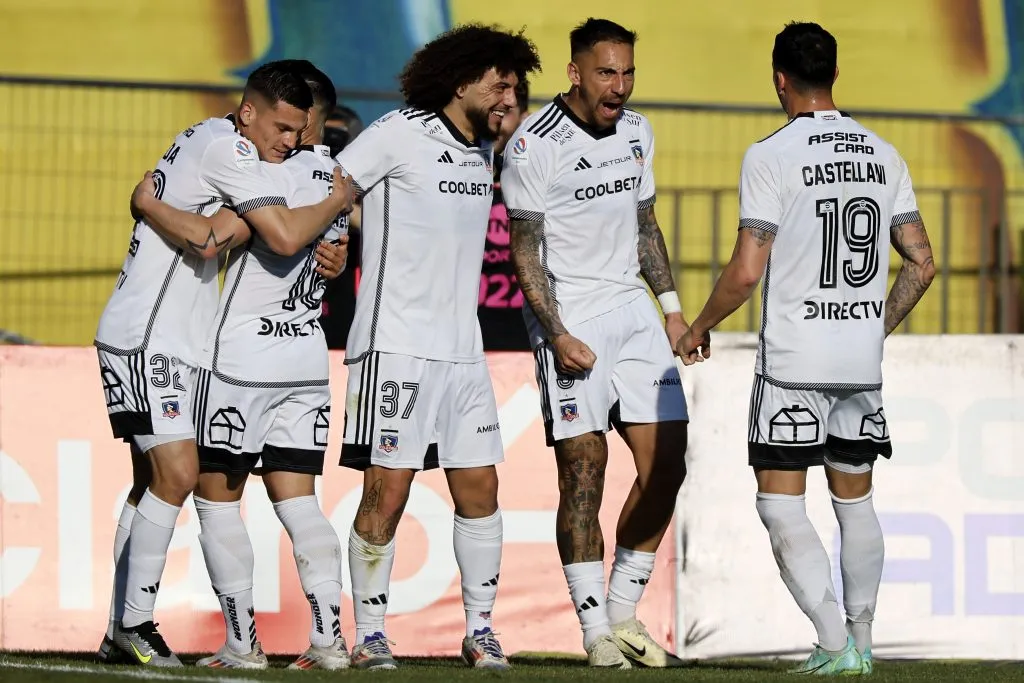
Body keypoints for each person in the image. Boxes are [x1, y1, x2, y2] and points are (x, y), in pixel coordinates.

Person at [676, 22, 935, 676]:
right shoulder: (883, 152)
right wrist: (871, 327)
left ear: (779, 78)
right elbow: (922, 262)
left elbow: (745, 270)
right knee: (856, 501)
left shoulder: (771, 155)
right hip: (858, 362)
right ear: (835, 76)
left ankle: (830, 642)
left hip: (795, 362)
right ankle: (863, 641)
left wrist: (698, 324)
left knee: (779, 501)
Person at [94, 60, 352, 667]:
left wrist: (148, 202)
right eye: (282, 128)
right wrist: (152, 207)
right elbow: (228, 240)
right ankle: (135, 624)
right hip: (148, 335)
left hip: (189, 341)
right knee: (182, 476)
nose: (288, 141)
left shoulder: (235, 150)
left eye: (298, 129)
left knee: (154, 484)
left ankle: (119, 627)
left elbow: (241, 235)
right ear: (250, 113)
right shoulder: (230, 150)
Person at [335, 24, 540, 670]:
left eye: (514, 83)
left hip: (462, 352)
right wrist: (331, 237)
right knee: (387, 493)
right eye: (499, 82)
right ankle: (369, 633)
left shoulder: (482, 152)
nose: (510, 94)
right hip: (395, 346)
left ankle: (480, 630)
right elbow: (335, 186)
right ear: (461, 83)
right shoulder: (399, 131)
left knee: (479, 487)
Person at [503, 18, 689, 669]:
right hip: (570, 313)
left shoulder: (637, 132)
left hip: (631, 310)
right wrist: (554, 332)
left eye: (628, 72)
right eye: (607, 72)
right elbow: (523, 248)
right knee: (585, 468)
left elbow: (645, 225)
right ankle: (593, 630)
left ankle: (623, 610)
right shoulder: (533, 144)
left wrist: (670, 310)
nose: (620, 86)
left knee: (667, 464)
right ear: (575, 72)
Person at [478, 79, 531, 351]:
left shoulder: (539, 175)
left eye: (507, 111)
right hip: (469, 335)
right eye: (492, 109)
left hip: (524, 338)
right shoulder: (455, 167)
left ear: (525, 117)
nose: (498, 118)